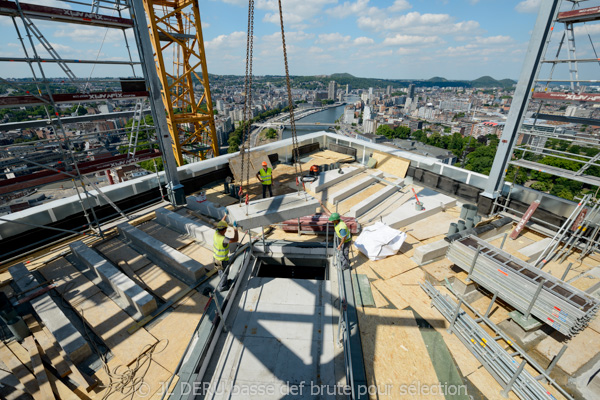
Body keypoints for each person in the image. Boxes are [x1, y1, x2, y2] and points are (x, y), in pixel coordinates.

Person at [319, 201, 352, 270]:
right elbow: (328, 213)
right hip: (343, 239)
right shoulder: (337, 220)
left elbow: (344, 237)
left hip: (346, 241)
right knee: (343, 252)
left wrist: (340, 245)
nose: (331, 221)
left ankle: (345, 265)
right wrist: (322, 205)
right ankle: (345, 260)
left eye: (332, 220)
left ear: (336, 220)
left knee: (343, 252)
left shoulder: (342, 227)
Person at [213, 215, 239, 291]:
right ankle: (223, 287)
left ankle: (223, 282)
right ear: (224, 230)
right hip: (222, 260)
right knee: (225, 273)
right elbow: (235, 239)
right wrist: (235, 229)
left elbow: (220, 223)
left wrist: (225, 215)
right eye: (226, 229)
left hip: (215, 258)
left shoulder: (216, 232)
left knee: (220, 272)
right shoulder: (223, 239)